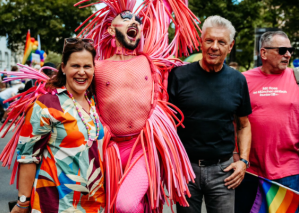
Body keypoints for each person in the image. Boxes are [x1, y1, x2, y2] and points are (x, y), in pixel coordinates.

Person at [74, 0, 202, 212]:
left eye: (138, 20)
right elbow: (73, 88)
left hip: (143, 148)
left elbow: (163, 14)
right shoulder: (96, 66)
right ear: (110, 29)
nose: (135, 22)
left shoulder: (150, 61)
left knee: (125, 204)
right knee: (113, 206)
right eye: (126, 19)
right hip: (109, 150)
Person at [168, 15, 252, 213]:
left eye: (221, 42)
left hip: (223, 172)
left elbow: (244, 125)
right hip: (185, 169)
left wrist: (243, 162)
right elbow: (167, 123)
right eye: (209, 40)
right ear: (201, 42)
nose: (214, 47)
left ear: (230, 47)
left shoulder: (238, 80)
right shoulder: (179, 75)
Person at [10, 39, 105, 212]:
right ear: (63, 68)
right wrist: (23, 202)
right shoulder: (46, 105)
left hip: (92, 203)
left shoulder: (93, 104)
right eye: (75, 66)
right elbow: (27, 156)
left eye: (87, 66)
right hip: (55, 203)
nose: (82, 72)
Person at [235, 31, 299, 213]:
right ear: (263, 53)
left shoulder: (297, 78)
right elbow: (233, 119)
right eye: (282, 50)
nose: (287, 54)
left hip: (289, 171)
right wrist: (235, 153)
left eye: (290, 50)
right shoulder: (243, 80)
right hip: (249, 170)